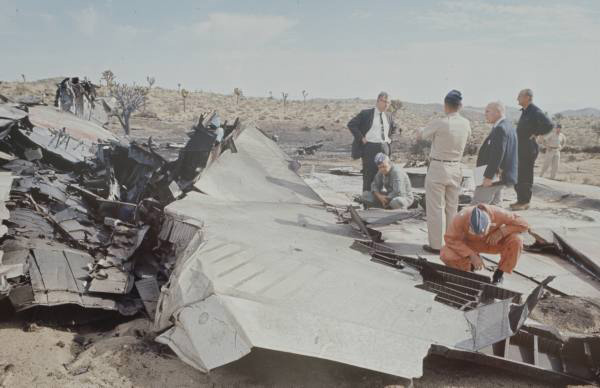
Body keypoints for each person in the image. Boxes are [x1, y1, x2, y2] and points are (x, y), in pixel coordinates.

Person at [417, 90, 471, 254]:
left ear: (445, 105)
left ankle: (435, 245)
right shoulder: (465, 123)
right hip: (456, 167)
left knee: (436, 208)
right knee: (452, 208)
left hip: (439, 167)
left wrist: (421, 129)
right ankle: (451, 243)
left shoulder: (441, 122)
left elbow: (421, 136)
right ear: (460, 106)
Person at [441, 204, 529, 284]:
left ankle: (499, 274)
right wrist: (471, 254)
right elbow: (450, 239)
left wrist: (502, 231)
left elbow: (524, 224)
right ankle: (468, 272)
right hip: (470, 245)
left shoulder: (498, 213)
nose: (480, 236)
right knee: (446, 254)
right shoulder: (461, 218)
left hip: (492, 242)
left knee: (516, 240)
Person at [347, 92, 398, 194]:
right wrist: (361, 138)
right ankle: (367, 201)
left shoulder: (389, 116)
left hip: (384, 147)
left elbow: (395, 128)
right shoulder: (366, 114)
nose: (386, 105)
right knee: (369, 175)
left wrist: (390, 138)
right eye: (384, 102)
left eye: (388, 103)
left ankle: (380, 201)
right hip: (370, 148)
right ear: (378, 101)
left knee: (384, 174)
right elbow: (351, 124)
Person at [511, 89, 553, 210]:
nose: (517, 98)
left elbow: (549, 125)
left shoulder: (535, 111)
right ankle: (520, 200)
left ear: (528, 97)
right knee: (519, 174)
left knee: (525, 175)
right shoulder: (525, 111)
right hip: (521, 147)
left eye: (519, 96)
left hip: (528, 148)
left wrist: (536, 133)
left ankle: (524, 202)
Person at [471, 102, 518, 206]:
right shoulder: (508, 126)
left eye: (487, 111)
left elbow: (497, 155)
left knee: (477, 207)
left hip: (492, 177)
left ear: (498, 112)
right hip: (500, 177)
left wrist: (488, 177)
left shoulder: (501, 128)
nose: (485, 114)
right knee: (494, 208)